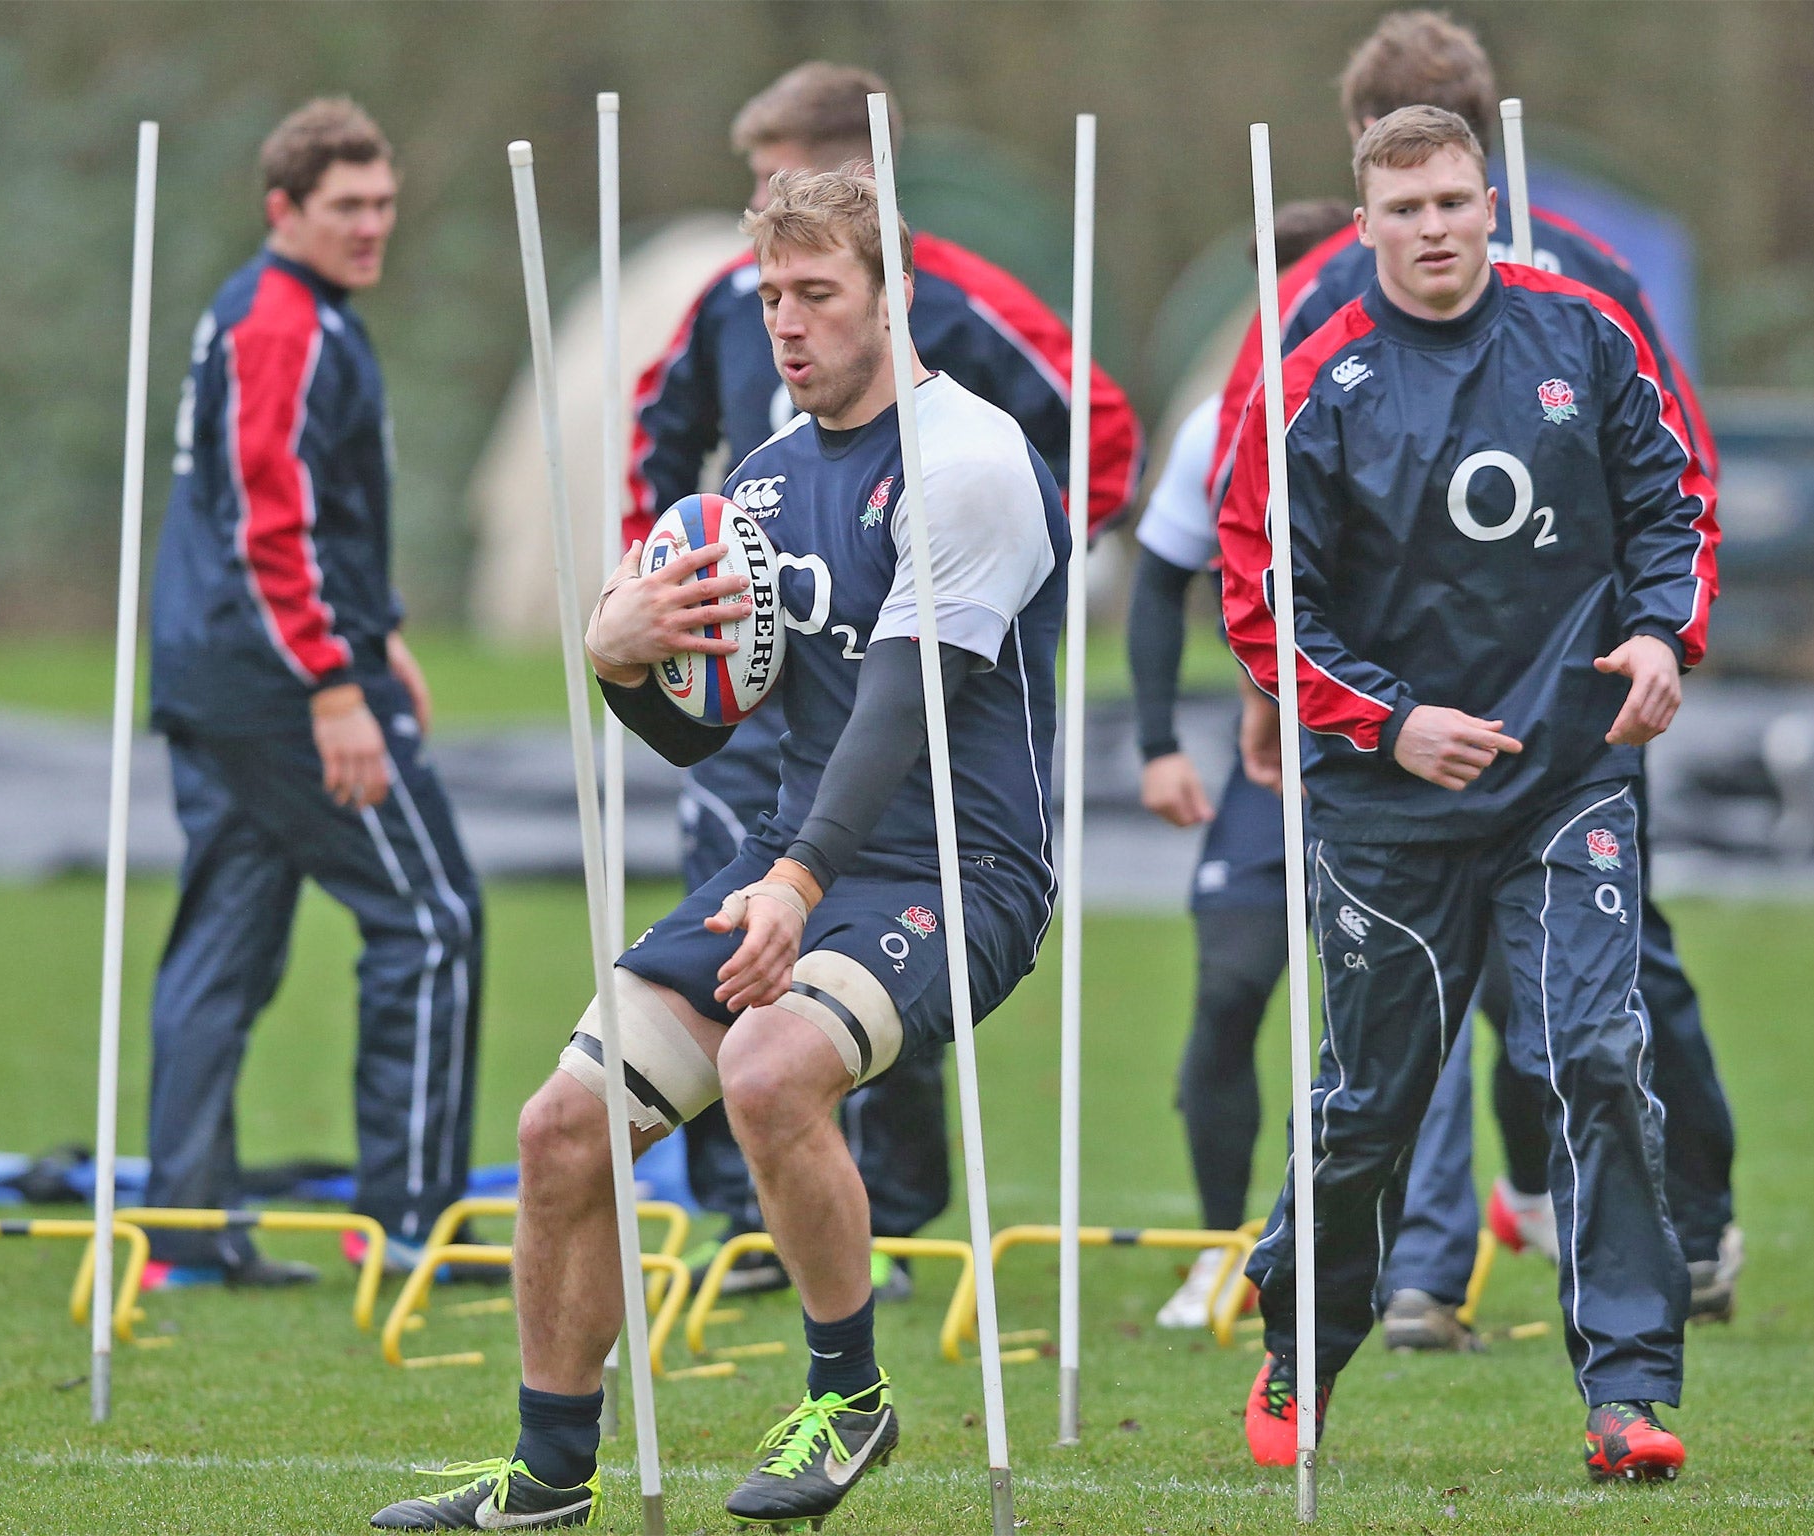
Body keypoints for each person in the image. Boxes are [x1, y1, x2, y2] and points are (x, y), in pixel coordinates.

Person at [373, 169, 1068, 1532]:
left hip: (958, 874)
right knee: (563, 1128)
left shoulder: (970, 464)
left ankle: (848, 1398)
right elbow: (706, 740)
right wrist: (616, 661)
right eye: (772, 299)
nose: (790, 326)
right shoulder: (754, 487)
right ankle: (547, 1477)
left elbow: (892, 713)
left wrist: (794, 887)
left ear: (894, 300)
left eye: (820, 295)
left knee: (768, 1066)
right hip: (799, 859)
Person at [1219, 8, 1741, 1342]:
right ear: (1367, 190)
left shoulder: (1582, 295)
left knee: (1594, 1021)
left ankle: (1598, 1301)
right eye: (1405, 202)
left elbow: (1675, 473)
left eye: (1456, 199)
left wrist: (1660, 630)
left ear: (1485, 179)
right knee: (1393, 1061)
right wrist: (1312, 698)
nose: (1432, 224)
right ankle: (1398, 1281)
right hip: (1392, 756)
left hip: (1570, 741)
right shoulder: (1312, 319)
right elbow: (1252, 541)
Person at [629, 60, 1141, 1298]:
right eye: (763, 196)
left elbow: (1103, 427)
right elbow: (664, 438)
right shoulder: (729, 325)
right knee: (707, 975)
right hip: (775, 676)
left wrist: (992, 572)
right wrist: (657, 607)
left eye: (808, 197)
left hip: (934, 726)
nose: (786, 299)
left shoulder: (969, 340)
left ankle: (894, 1221)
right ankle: (745, 1216)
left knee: (841, 981)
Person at [144, 99, 485, 1288]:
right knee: (432, 918)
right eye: (347, 207)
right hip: (277, 684)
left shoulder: (296, 315)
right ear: (282, 209)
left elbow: (312, 517)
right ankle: (411, 1225)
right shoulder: (281, 323)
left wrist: (377, 633)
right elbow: (265, 527)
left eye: (385, 204)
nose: (372, 226)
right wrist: (335, 682)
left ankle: (185, 1233)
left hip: (221, 669)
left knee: (223, 948)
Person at [1129, 199, 1348, 1328]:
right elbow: (1161, 575)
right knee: (1225, 994)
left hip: (1410, 756)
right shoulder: (1224, 414)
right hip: (1270, 759)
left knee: (1488, 1008)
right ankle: (1223, 1244)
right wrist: (1159, 741)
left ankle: (1486, 1218)